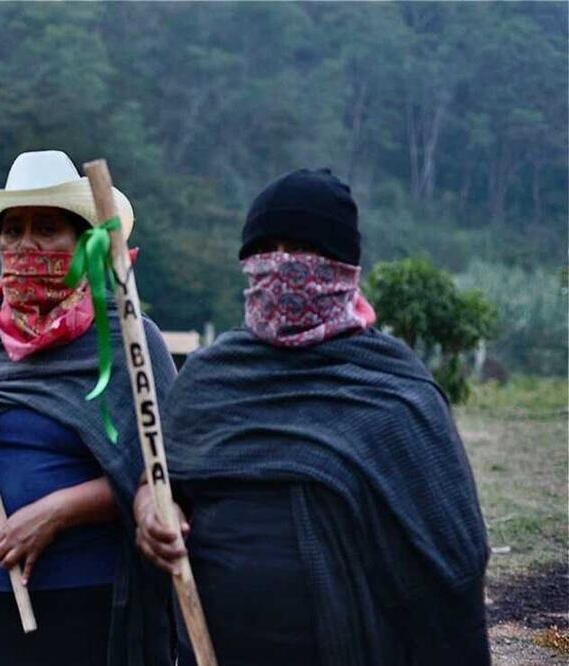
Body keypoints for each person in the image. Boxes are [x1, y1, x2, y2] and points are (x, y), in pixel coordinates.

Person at [134, 168, 491, 666]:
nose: (283, 264)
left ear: (345, 268)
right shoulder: (210, 377)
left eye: (303, 248)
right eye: (267, 249)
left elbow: (451, 554)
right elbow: (161, 482)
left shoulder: (394, 389)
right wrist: (153, 510)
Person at [0, 150, 177, 666]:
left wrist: (58, 511)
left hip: (83, 588)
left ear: (84, 243)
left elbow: (163, 468)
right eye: (13, 230)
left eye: (47, 229)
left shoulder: (126, 337)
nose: (26, 245)